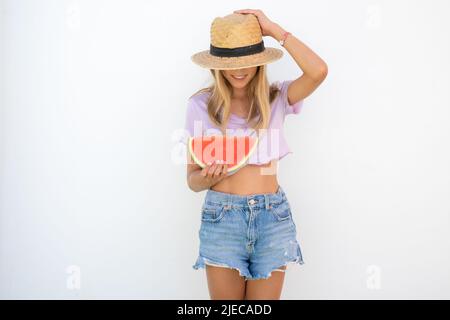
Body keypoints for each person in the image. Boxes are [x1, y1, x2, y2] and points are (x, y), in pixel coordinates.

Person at [181, 9, 328, 300]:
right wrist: (208, 177)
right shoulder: (199, 106)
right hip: (222, 218)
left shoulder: (277, 98)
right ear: (217, 64)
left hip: (273, 217)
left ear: (260, 62)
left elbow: (318, 71)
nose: (239, 69)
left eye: (247, 61)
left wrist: (274, 30)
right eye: (231, 62)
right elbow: (191, 180)